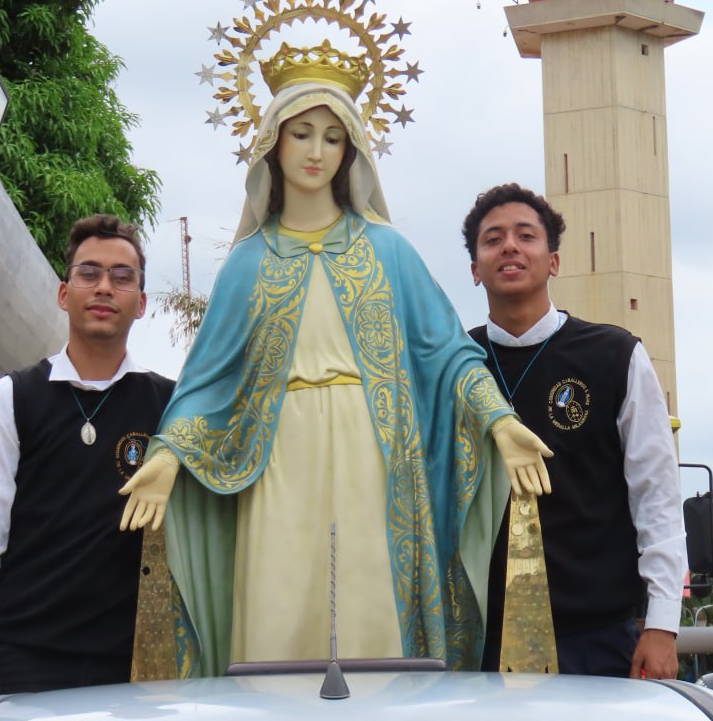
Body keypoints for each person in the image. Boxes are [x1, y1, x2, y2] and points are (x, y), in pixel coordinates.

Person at [120, 59, 552, 676]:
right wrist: (167, 457)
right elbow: (207, 382)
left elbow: (449, 351)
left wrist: (499, 421)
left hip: (372, 454)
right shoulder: (247, 262)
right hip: (277, 460)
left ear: (351, 149)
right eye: (301, 134)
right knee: (276, 611)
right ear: (273, 143)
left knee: (370, 613)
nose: (316, 151)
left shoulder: (388, 250)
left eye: (332, 136)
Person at [461, 183, 686, 679]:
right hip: (478, 641)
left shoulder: (615, 356)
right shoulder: (454, 366)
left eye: (526, 236)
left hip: (599, 638)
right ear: (476, 270)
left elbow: (657, 495)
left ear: (554, 261)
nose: (511, 247)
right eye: (492, 239)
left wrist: (662, 625)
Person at [0, 215, 175, 701]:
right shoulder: (6, 401)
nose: (104, 288)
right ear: (63, 292)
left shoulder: (171, 408)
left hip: (136, 673)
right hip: (27, 667)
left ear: (140, 303)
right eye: (88, 273)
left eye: (122, 277)